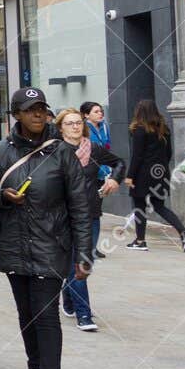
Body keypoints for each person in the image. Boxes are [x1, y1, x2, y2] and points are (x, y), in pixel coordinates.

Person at [0, 88, 92, 369]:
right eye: (31, 110)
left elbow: (80, 206)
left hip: (51, 244)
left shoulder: (62, 153)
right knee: (26, 313)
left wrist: (84, 252)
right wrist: (2, 197)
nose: (39, 115)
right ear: (16, 115)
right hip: (12, 244)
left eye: (42, 109)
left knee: (46, 314)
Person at [54, 107, 121, 332]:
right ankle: (84, 315)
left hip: (90, 214)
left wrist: (114, 180)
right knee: (77, 264)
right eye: (69, 123)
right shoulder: (54, 151)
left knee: (82, 262)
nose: (75, 126)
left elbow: (119, 162)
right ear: (60, 128)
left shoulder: (93, 149)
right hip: (63, 215)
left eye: (78, 123)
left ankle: (69, 299)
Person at [124, 99, 185, 252]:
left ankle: (140, 241)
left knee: (139, 206)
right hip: (160, 173)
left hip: (142, 175)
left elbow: (137, 156)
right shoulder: (164, 129)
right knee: (159, 206)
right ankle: (184, 232)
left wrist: (130, 176)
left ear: (139, 112)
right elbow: (169, 153)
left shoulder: (139, 129)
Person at [81, 101, 114, 261]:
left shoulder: (105, 127)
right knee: (88, 212)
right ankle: (87, 247)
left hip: (102, 175)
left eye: (101, 111)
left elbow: (108, 148)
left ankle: (93, 247)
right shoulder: (83, 129)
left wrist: (108, 171)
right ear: (86, 115)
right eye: (96, 111)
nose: (100, 114)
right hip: (87, 177)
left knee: (96, 212)